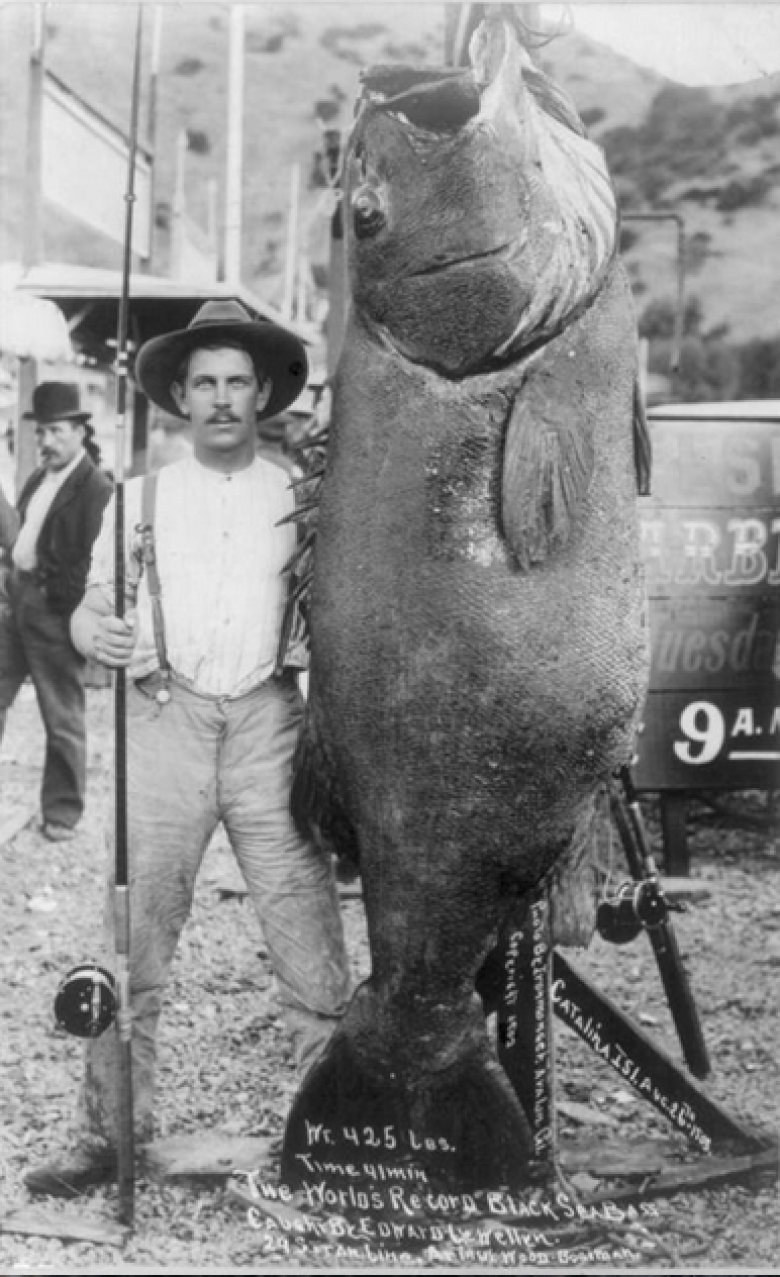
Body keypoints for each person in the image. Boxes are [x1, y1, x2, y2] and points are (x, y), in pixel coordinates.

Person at [25, 299, 351, 1197]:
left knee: (306, 932)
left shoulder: (297, 491)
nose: (219, 399)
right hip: (163, 722)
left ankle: (336, 1130)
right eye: (202, 382)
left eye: (236, 382)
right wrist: (102, 636)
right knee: (134, 936)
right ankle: (106, 1135)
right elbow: (89, 608)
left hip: (267, 725)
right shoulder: (138, 496)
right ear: (177, 394)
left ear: (262, 395)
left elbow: (338, 614)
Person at [0, 382, 112, 841]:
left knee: (61, 714)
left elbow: (93, 560)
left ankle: (62, 813)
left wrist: (57, 603)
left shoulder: (95, 489)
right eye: (41, 432)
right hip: (16, 608)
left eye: (55, 431)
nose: (46, 441)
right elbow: (20, 538)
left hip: (56, 613)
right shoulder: (36, 478)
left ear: (80, 431)